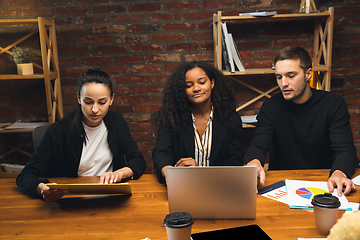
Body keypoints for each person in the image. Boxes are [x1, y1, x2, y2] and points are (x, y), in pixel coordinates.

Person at [16, 68, 146, 201]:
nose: (95, 110)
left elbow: (138, 160)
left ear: (111, 99)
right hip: (71, 200)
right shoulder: (58, 131)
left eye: (102, 102)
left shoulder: (116, 121)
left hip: (111, 199)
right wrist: (42, 189)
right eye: (88, 102)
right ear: (79, 98)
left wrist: (119, 174)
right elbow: (25, 176)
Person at [246, 46, 358, 196]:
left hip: (323, 183)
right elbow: (258, 144)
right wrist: (254, 162)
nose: (283, 83)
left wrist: (339, 172)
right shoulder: (270, 106)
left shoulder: (333, 104)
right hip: (280, 186)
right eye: (279, 77)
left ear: (308, 74)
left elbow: (345, 149)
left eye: (291, 75)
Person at [152, 61, 244, 183]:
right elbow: (161, 152)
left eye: (202, 82)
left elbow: (235, 161)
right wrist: (169, 171)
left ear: (212, 83)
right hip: (183, 185)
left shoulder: (231, 118)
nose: (196, 88)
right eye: (189, 85)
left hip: (220, 186)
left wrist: (200, 173)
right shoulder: (171, 118)